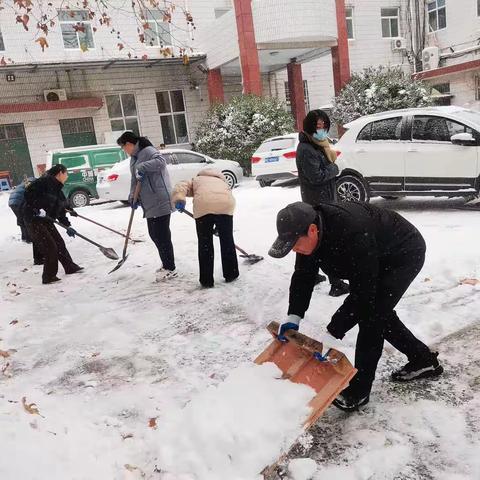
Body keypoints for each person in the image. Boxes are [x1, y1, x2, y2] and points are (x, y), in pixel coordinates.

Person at [269, 201, 443, 411]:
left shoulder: (351, 232)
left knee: (372, 316)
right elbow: (303, 275)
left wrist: (334, 332)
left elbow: (363, 294)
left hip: (402, 253)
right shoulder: (308, 232)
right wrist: (293, 316)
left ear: (312, 230)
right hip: (375, 255)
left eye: (296, 245)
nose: (296, 250)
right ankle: (422, 359)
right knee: (380, 311)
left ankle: (359, 391)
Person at [296, 109, 349, 297]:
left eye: (324, 126)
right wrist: (334, 168)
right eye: (318, 126)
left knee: (311, 239)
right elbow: (316, 176)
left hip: (324, 198)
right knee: (326, 242)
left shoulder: (318, 145)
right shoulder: (307, 149)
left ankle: (307, 274)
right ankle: (336, 283)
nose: (322, 129)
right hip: (318, 201)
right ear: (310, 127)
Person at [117, 131, 176, 282]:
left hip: (159, 198)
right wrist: (132, 196)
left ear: (129, 144)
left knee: (162, 235)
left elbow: (161, 162)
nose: (125, 151)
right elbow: (134, 179)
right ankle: (166, 263)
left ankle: (170, 268)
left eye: (124, 147)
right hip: (149, 202)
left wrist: (143, 166)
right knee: (154, 234)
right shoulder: (134, 158)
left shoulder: (147, 151)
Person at [172, 168, 239, 288]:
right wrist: (221, 226)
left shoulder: (197, 179)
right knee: (227, 241)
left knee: (205, 243)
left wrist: (179, 199)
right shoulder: (222, 181)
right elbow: (224, 197)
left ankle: (206, 280)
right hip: (225, 206)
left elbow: (181, 185)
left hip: (203, 207)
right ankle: (231, 273)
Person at [23, 165, 83, 285]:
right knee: (50, 246)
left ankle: (70, 267)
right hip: (33, 218)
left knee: (59, 243)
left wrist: (67, 224)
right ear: (60, 173)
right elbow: (28, 194)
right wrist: (36, 208)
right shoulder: (44, 181)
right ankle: (48, 276)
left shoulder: (57, 187)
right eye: (66, 173)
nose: (67, 176)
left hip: (46, 219)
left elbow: (60, 207)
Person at [9, 177, 44, 265]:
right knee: (28, 223)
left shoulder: (27, 182)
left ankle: (26, 236)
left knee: (22, 220)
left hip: (13, 201)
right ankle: (28, 237)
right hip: (19, 202)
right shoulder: (35, 183)